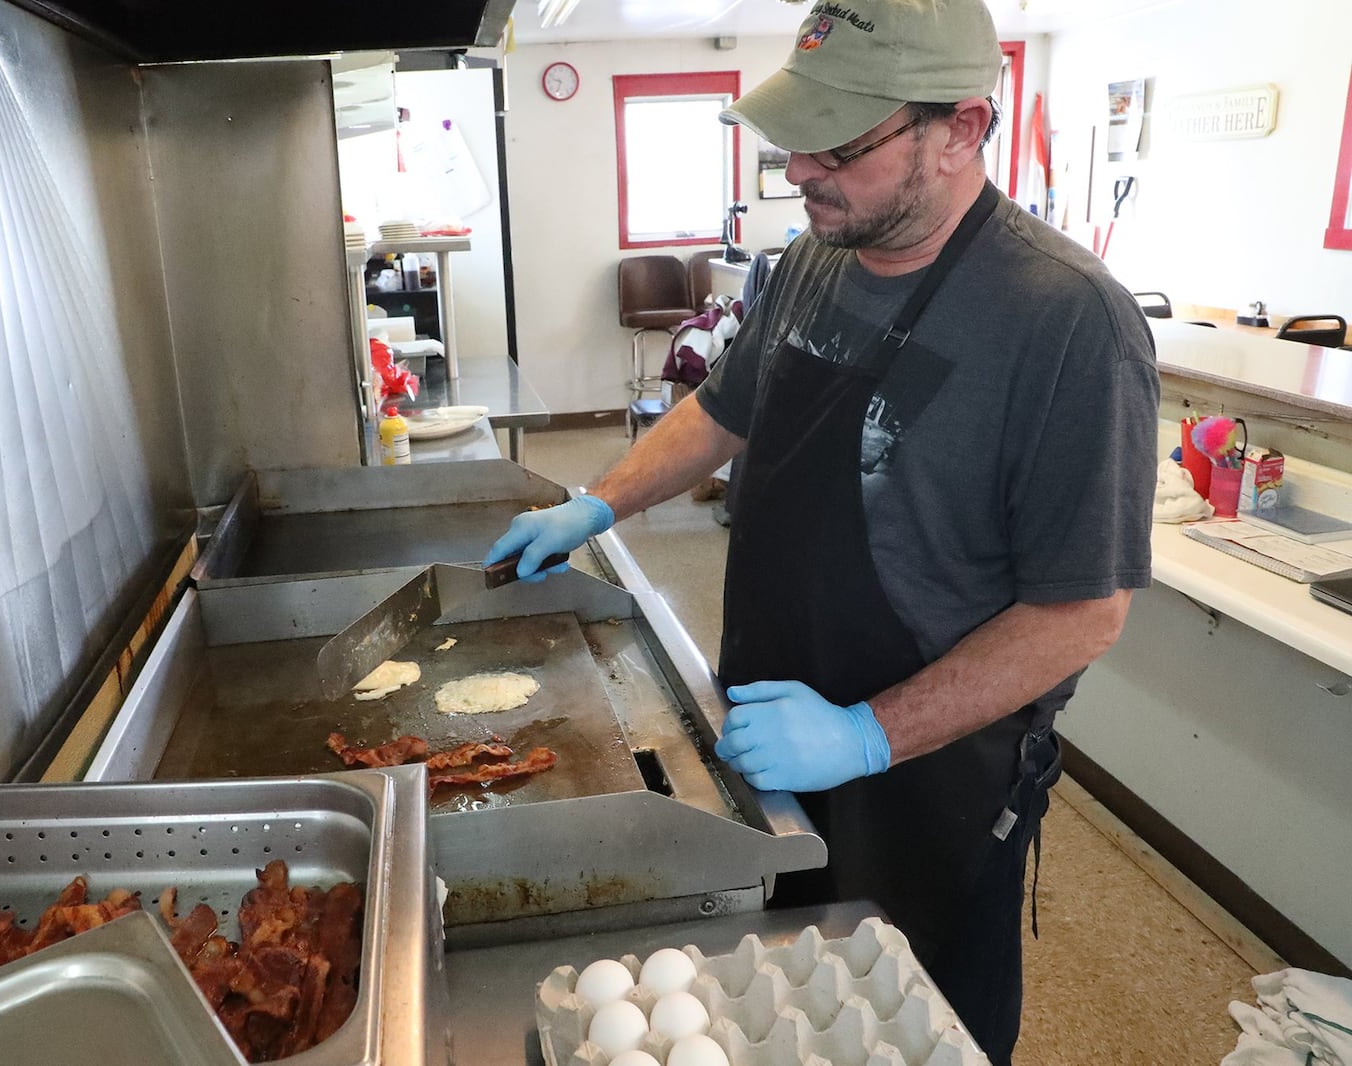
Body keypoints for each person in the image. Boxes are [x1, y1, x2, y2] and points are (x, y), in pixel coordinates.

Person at [485, 1, 1158, 1060]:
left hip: (927, 776)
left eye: (838, 145)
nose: (799, 170)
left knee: (907, 1023)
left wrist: (864, 736)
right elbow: (723, 409)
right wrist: (597, 500)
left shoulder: (1065, 321)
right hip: (765, 722)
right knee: (768, 1011)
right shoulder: (810, 259)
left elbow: (1081, 610)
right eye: (792, 139)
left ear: (962, 129)